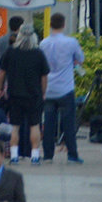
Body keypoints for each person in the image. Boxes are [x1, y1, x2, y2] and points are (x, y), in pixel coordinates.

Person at [0, 24, 50, 162]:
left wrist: (0, 89)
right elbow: (44, 76)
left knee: (14, 126)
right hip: (34, 94)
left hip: (14, 94)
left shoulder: (10, 52)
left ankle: (14, 155)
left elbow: (2, 72)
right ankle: (35, 156)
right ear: (34, 37)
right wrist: (43, 92)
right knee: (35, 125)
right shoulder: (38, 53)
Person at [40, 13, 87, 165]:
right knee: (69, 124)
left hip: (49, 89)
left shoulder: (43, 43)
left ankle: (48, 155)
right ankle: (72, 155)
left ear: (50, 25)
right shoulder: (71, 42)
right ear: (64, 24)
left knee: (49, 124)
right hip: (66, 88)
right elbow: (80, 59)